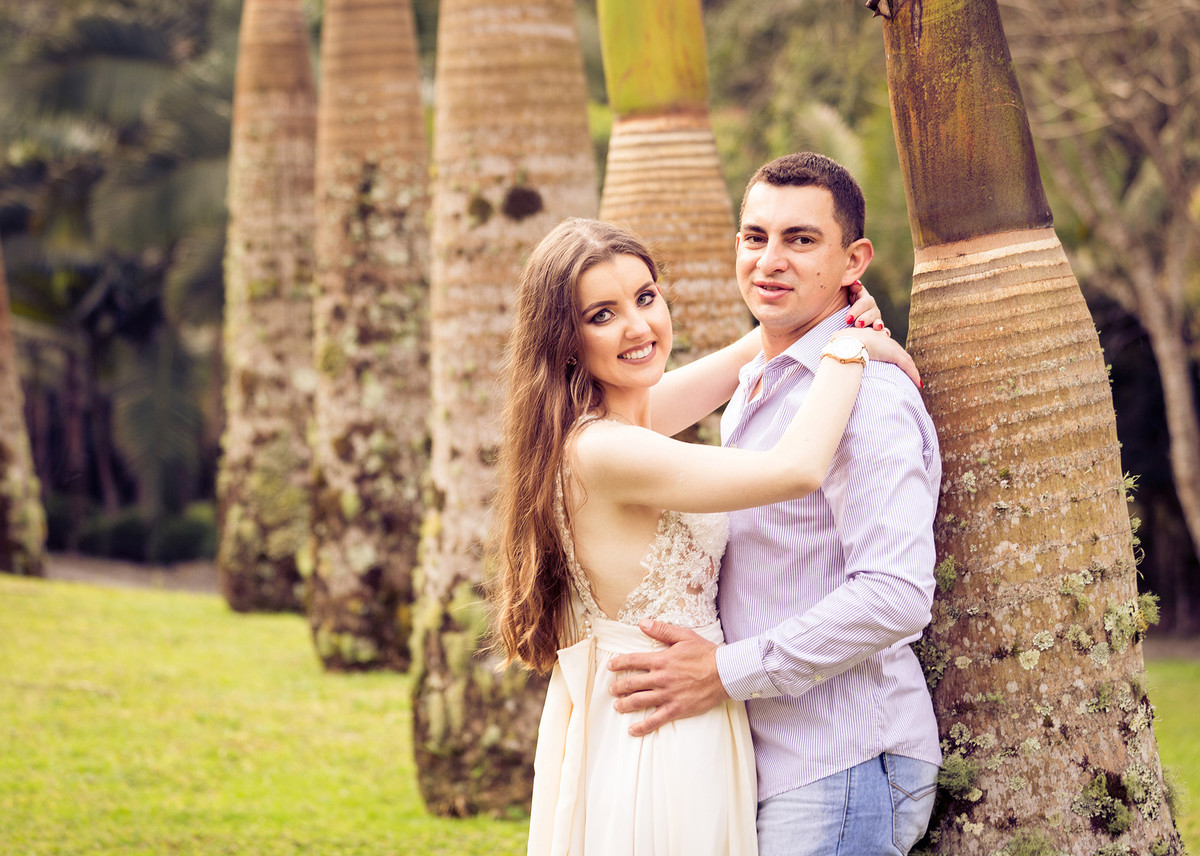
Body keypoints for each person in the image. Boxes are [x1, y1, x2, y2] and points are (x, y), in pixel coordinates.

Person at [490, 216, 920, 855]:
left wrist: (834, 310)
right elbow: (795, 469)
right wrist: (850, 347)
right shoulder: (604, 451)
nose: (638, 327)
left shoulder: (618, 420)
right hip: (664, 728)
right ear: (564, 340)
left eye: (645, 297)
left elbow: (749, 351)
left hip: (668, 709)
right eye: (601, 315)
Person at [607, 152, 943, 856]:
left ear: (854, 258)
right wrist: (837, 336)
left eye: (800, 240)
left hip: (840, 758)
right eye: (755, 237)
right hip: (769, 759)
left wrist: (722, 671)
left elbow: (896, 594)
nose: (770, 260)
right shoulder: (765, 382)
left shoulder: (870, 397)